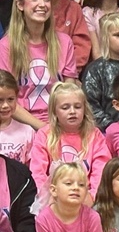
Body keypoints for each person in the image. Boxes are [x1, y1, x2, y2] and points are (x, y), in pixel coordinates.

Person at [0, 0, 77, 129]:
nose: (42, 4)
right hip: (21, 124)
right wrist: (42, 128)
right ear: (20, 5)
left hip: (58, 121)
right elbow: (6, 100)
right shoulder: (5, 46)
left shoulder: (64, 42)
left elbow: (69, 90)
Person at [29, 82, 111, 210]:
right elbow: (37, 172)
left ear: (85, 109)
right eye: (65, 107)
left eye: (77, 107)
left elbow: (101, 169)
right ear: (55, 111)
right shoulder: (45, 134)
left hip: (87, 197)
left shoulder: (94, 134)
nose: (72, 111)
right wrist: (49, 195)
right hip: (53, 198)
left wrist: (93, 195)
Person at [32, 0, 90, 70]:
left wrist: (68, 71)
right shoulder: (32, 8)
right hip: (36, 70)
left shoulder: (74, 8)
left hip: (69, 71)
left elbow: (82, 46)